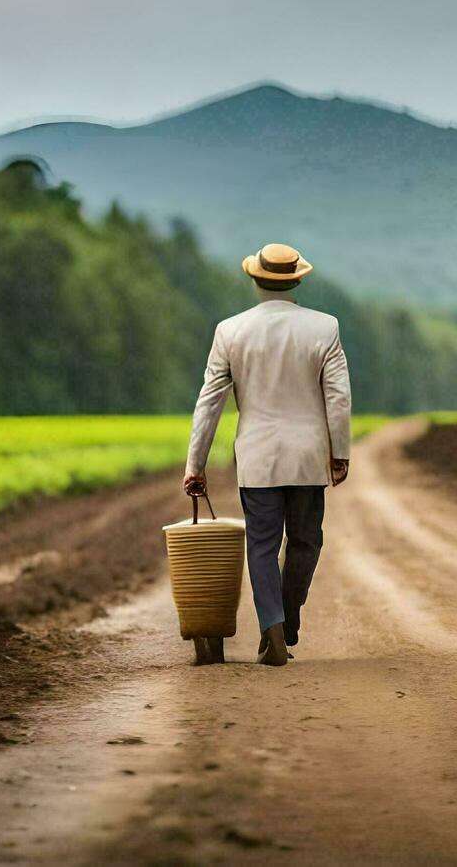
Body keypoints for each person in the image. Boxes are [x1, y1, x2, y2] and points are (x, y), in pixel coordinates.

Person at [184, 242, 352, 667]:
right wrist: (340, 453)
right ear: (297, 279)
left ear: (256, 280)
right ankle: (288, 616)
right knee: (305, 542)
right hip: (307, 458)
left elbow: (210, 402)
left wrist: (195, 464)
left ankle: (272, 627)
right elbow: (338, 397)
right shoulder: (324, 327)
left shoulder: (230, 331)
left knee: (261, 545)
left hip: (257, 458)